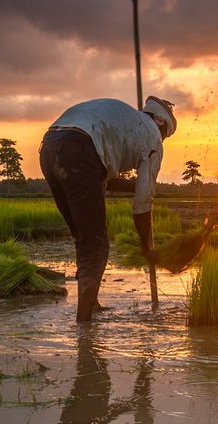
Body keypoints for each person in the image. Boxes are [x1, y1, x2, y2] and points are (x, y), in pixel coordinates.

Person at [39, 96, 177, 321]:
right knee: (96, 247)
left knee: (84, 239)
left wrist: (138, 182)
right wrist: (148, 249)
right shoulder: (153, 137)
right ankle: (84, 328)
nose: (162, 140)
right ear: (160, 122)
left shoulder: (124, 121)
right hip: (81, 146)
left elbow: (99, 177)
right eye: (165, 136)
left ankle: (92, 305)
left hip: (51, 146)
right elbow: (142, 205)